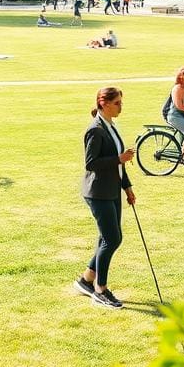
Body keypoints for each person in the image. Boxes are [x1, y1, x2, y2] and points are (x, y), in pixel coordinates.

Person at [74, 87, 136, 309]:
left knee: (107, 238)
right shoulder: (95, 130)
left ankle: (86, 279)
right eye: (117, 102)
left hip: (112, 190)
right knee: (112, 239)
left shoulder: (111, 126)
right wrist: (119, 158)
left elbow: (120, 163)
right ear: (104, 104)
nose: (121, 106)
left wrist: (127, 188)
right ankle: (100, 289)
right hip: (98, 192)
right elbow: (91, 164)